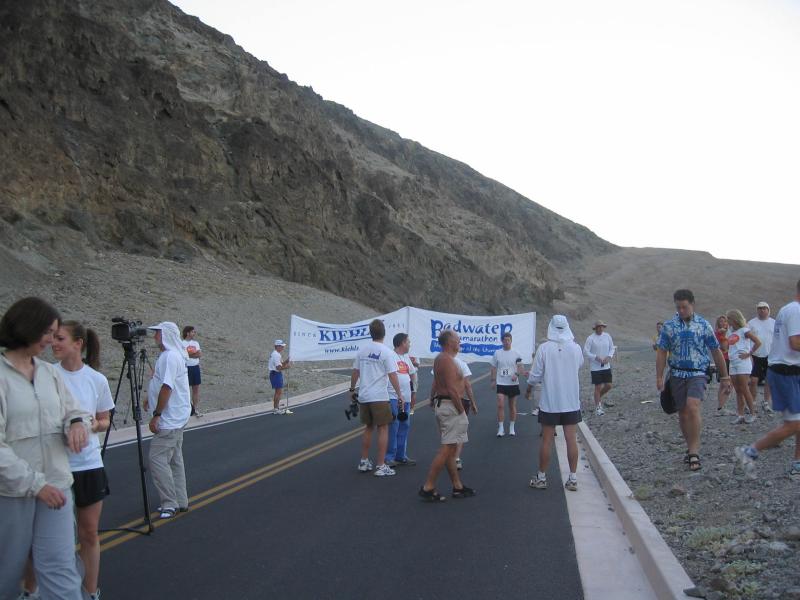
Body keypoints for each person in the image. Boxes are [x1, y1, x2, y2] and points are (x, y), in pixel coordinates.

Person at [0, 297, 90, 600]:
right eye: (47, 332)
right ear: (27, 327)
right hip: (11, 494)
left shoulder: (49, 373)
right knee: (7, 573)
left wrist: (77, 424)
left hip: (57, 486)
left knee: (60, 568)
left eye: (55, 334)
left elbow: (72, 411)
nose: (51, 340)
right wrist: (35, 485)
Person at [656, 289, 731, 472]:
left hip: (698, 373)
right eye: (678, 307)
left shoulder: (703, 325)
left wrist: (725, 376)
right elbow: (661, 352)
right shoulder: (669, 326)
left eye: (684, 307)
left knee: (692, 406)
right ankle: (690, 447)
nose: (681, 310)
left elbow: (715, 350)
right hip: (677, 374)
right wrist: (659, 376)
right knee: (682, 413)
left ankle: (694, 452)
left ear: (692, 304)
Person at [736, 280, 800, 478]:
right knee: (794, 425)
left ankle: (797, 463)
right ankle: (749, 451)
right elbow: (795, 342)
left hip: (791, 371)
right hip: (786, 372)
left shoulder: (789, 309)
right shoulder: (796, 310)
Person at [528, 315, 584, 491]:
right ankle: (573, 478)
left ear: (551, 327)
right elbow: (580, 365)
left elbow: (535, 375)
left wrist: (529, 389)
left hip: (550, 402)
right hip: (571, 401)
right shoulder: (576, 348)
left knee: (546, 440)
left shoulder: (544, 348)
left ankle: (542, 477)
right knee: (571, 440)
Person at [419, 330, 474, 501]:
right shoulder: (446, 360)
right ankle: (428, 487)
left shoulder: (442, 359)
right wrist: (461, 411)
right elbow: (451, 389)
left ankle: (457, 486)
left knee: (450, 449)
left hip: (445, 405)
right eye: (458, 340)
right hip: (450, 407)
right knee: (447, 448)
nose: (460, 342)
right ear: (450, 342)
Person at [146, 321, 192, 519]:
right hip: (177, 416)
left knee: (156, 459)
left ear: (165, 335)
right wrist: (149, 397)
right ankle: (181, 500)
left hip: (170, 418)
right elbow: (161, 384)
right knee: (175, 459)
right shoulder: (173, 355)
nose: (155, 337)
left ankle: (169, 503)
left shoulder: (169, 357)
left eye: (158, 333)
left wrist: (157, 414)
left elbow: (167, 387)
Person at [350, 319, 405, 477]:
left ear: (370, 332)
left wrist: (352, 389)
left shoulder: (362, 351)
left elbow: (355, 372)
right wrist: (399, 394)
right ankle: (381, 465)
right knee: (383, 428)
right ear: (384, 333)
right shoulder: (387, 352)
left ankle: (364, 461)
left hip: (365, 395)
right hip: (379, 396)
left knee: (368, 427)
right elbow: (392, 375)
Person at [385, 333, 417, 467]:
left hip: (407, 397)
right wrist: (398, 395)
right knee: (394, 426)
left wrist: (413, 390)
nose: (409, 344)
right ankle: (389, 457)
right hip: (394, 397)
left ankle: (401, 455)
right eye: (408, 342)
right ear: (402, 343)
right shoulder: (390, 356)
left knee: (405, 425)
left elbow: (412, 373)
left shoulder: (405, 357)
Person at [726, 309, 761, 425]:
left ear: (734, 319)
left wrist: (749, 353)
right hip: (733, 362)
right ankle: (740, 415)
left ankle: (753, 413)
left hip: (742, 362)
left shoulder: (744, 330)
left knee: (744, 388)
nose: (727, 321)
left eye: (729, 319)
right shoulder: (730, 332)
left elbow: (757, 342)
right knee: (738, 390)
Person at [490, 332, 525, 437]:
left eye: (508, 340)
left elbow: (521, 367)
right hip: (501, 382)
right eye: (505, 340)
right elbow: (493, 367)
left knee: (511, 406)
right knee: (500, 404)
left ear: (511, 341)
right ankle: (501, 428)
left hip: (512, 383)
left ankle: (511, 427)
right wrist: (492, 380)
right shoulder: (497, 353)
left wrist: (516, 374)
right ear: (502, 341)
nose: (506, 342)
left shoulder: (516, 353)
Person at [748, 301, 776, 413]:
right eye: (760, 308)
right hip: (756, 355)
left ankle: (766, 402)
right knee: (754, 380)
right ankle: (752, 402)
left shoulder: (774, 323)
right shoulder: (751, 323)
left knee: (768, 380)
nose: (762, 310)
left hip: (770, 355)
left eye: (764, 308)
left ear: (768, 310)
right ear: (757, 310)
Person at [584, 320, 615, 415]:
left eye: (602, 326)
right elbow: (585, 351)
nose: (600, 328)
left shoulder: (607, 336)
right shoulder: (590, 338)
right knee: (598, 387)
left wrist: (609, 356)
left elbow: (612, 348)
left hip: (606, 365)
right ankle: (598, 407)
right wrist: (595, 357)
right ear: (595, 328)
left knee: (609, 385)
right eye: (598, 327)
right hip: (595, 367)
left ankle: (597, 398)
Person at [453, 355, 477, 470]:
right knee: (460, 431)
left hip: (442, 401)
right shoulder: (461, 364)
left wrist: (432, 398)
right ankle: (456, 458)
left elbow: (435, 382)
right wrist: (473, 403)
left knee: (446, 431)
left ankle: (448, 456)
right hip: (458, 400)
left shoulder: (440, 360)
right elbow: (467, 385)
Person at [181, 326, 203, 417]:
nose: (194, 333)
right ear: (187, 333)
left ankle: (195, 409)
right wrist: (193, 354)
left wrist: (189, 354)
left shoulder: (196, 343)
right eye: (193, 332)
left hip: (195, 367)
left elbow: (199, 354)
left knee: (196, 389)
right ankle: (187, 409)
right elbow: (183, 355)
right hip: (186, 368)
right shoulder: (182, 343)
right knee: (185, 389)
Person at [714, 315, 732, 414]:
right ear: (718, 323)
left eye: (725, 321)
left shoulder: (726, 332)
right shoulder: (720, 333)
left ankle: (721, 406)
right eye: (721, 321)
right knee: (726, 384)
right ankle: (721, 407)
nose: (724, 323)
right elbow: (724, 348)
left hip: (726, 359)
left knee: (723, 384)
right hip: (724, 359)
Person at [269, 340, 292, 415]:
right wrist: (287, 367)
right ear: (277, 346)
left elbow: (281, 364)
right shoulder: (276, 355)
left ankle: (276, 408)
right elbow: (279, 367)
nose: (283, 347)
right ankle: (276, 409)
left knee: (278, 392)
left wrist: (286, 361)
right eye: (281, 346)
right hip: (276, 373)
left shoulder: (276, 354)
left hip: (276, 374)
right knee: (278, 392)